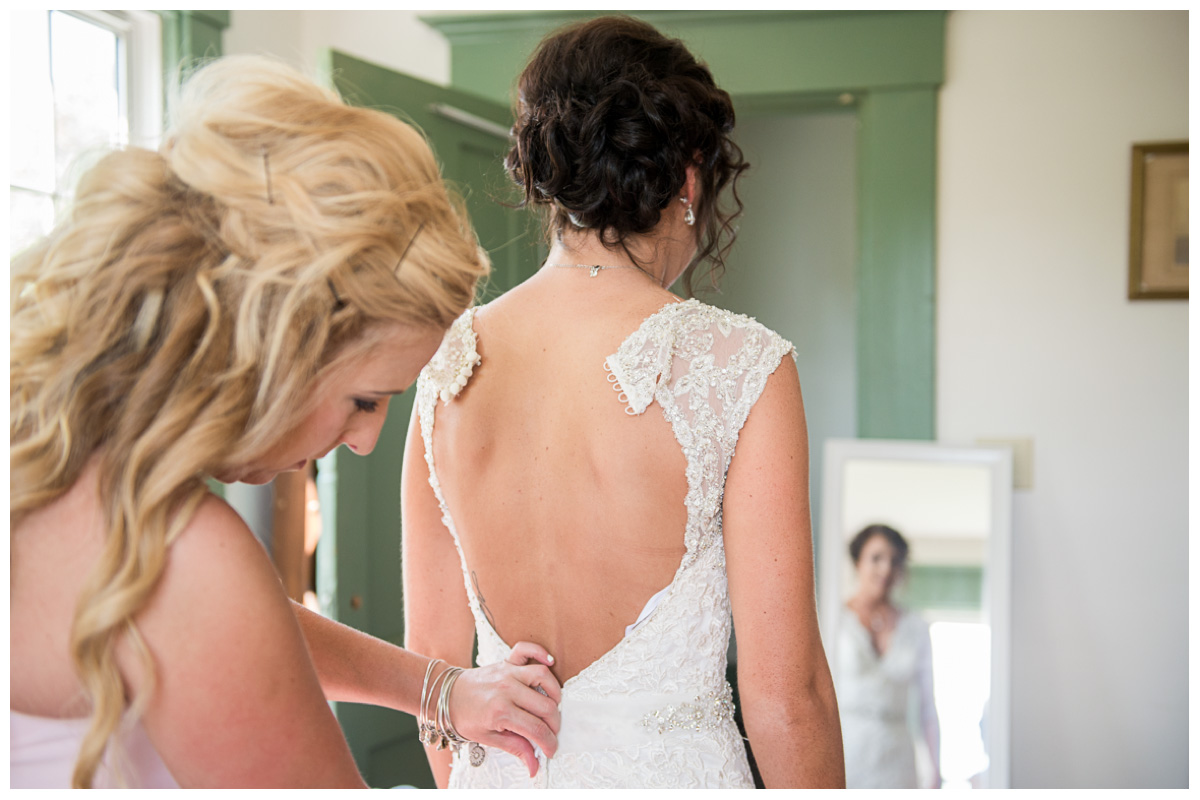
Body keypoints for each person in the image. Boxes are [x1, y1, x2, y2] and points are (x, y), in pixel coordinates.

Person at [9, 55, 562, 789]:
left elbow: (228, 636)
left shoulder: (40, 451)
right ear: (271, 345)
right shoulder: (186, 559)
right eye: (365, 400)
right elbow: (210, 615)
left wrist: (437, 688)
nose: (365, 442)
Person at [401, 15, 843, 789]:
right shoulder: (742, 367)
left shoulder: (446, 363)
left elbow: (430, 665)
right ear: (689, 178)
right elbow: (786, 698)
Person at [837, 524, 942, 789]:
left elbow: (928, 707)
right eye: (877, 558)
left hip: (898, 759)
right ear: (858, 561)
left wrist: (936, 770)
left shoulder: (916, 627)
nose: (886, 569)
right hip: (846, 751)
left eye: (895, 561)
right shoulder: (832, 618)